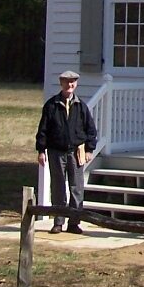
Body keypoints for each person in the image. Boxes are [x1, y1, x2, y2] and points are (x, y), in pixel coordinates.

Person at [35, 70, 98, 234]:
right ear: (61, 83)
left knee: (76, 188)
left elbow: (91, 130)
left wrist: (90, 149)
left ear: (76, 84)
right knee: (58, 187)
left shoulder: (81, 106)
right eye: (66, 82)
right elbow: (43, 130)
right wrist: (41, 150)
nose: (69, 85)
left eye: (73, 82)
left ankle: (74, 222)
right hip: (56, 152)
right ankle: (58, 221)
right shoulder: (51, 105)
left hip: (76, 152)